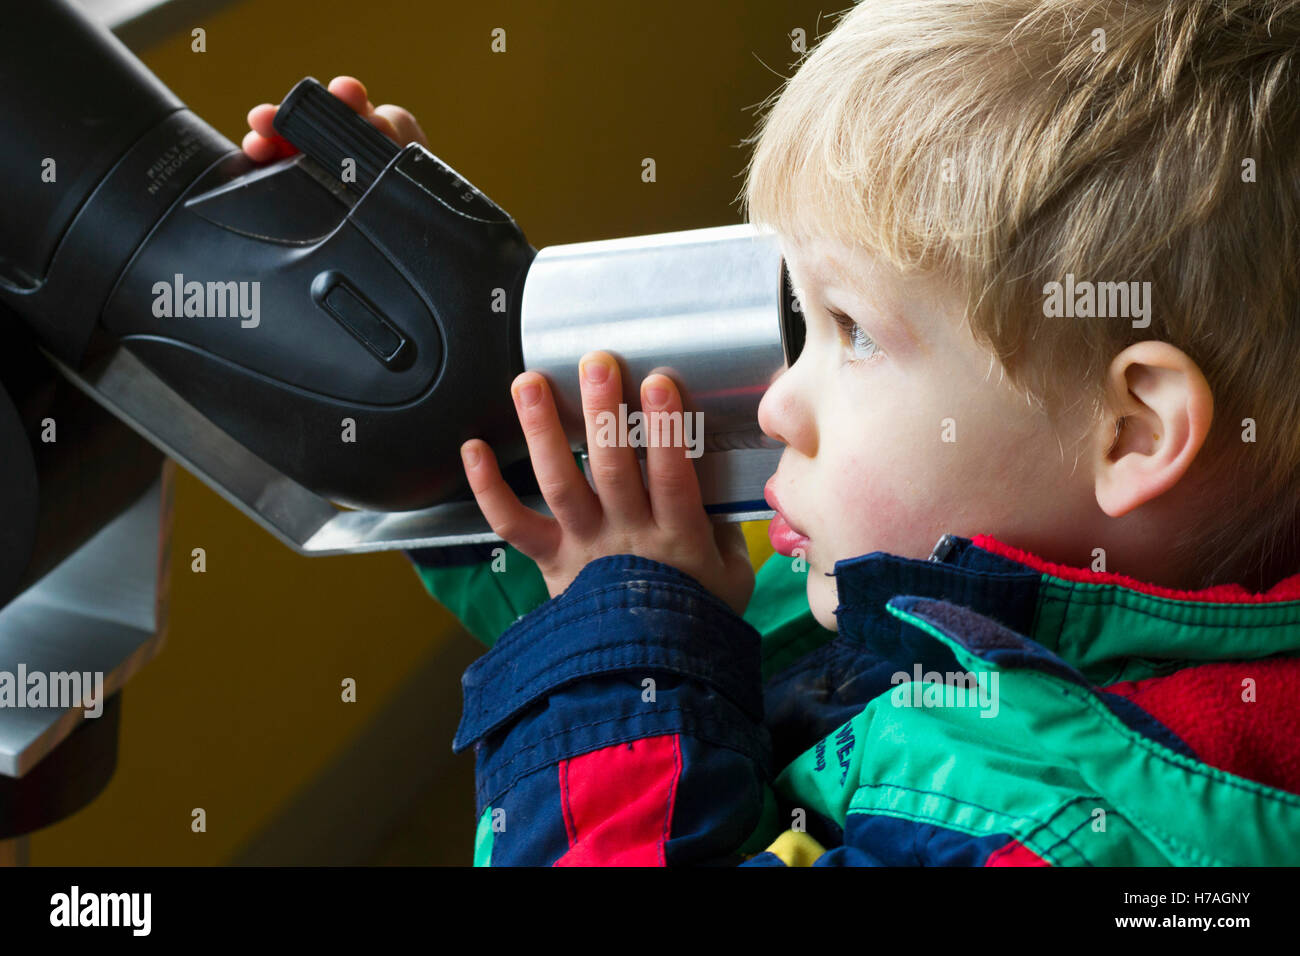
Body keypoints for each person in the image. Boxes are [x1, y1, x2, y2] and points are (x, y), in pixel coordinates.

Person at [245, 0, 1300, 865]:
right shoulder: (934, 589)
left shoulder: (1070, 837)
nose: (776, 403)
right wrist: (447, 380)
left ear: (1130, 432)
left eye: (852, 332)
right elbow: (698, 638)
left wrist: (622, 640)